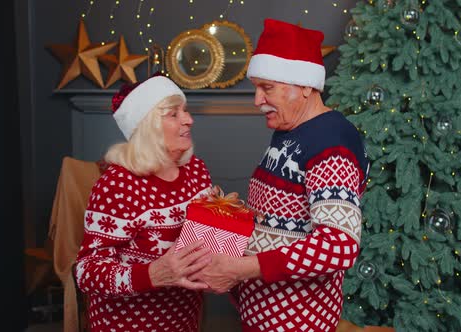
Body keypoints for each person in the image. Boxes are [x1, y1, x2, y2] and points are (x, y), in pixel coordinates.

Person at [192, 19, 370, 332]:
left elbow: (338, 244)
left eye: (267, 88)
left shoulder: (331, 143)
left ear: (304, 86)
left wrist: (241, 269)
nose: (257, 100)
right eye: (256, 88)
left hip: (294, 323)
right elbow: (281, 216)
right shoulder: (294, 128)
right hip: (262, 316)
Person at [75, 75, 214, 332]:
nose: (188, 120)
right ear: (148, 125)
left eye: (185, 111)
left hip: (184, 318)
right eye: (174, 114)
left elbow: (205, 234)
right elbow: (87, 272)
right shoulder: (117, 185)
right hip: (127, 323)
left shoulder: (195, 169)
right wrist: (152, 274)